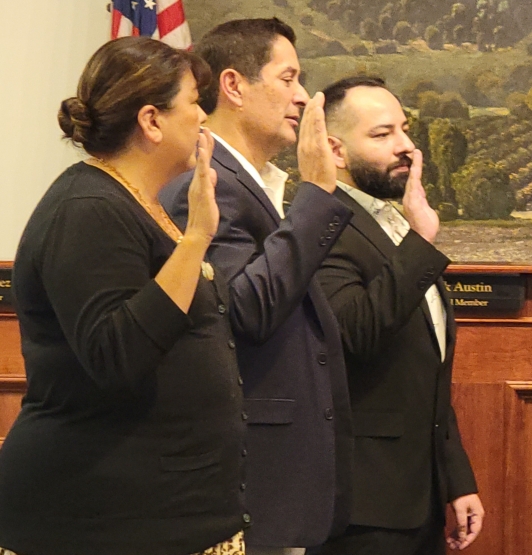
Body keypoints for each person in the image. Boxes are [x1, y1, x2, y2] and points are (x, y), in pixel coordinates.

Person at [0, 37, 247, 555]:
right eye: (193, 102)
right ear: (151, 120)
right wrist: (199, 235)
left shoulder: (136, 204)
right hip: (102, 523)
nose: (204, 116)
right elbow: (117, 355)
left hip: (168, 516)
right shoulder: (87, 208)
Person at [160, 18, 353, 555]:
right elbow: (246, 310)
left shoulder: (257, 183)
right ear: (233, 85)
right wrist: (316, 190)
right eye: (287, 78)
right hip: (251, 480)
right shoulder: (203, 182)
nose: (301, 96)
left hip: (289, 478)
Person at [314, 76, 483, 555]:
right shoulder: (323, 226)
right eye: (382, 134)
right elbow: (356, 331)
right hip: (363, 505)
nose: (406, 146)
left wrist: (455, 479)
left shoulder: (392, 222)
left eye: (404, 129)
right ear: (337, 150)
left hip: (418, 498)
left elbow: (424, 371)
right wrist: (421, 242)